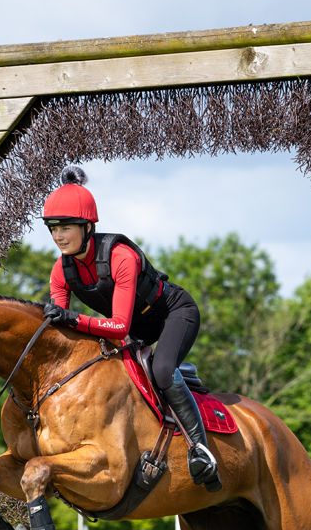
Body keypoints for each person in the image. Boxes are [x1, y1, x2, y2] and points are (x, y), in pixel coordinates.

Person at [42, 165, 222, 492]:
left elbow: (118, 326)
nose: (58, 237)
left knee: (163, 370)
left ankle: (201, 450)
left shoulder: (121, 256)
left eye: (65, 228)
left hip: (172, 313)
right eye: (52, 229)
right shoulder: (60, 271)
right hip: (135, 329)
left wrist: (74, 320)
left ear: (87, 226)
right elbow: (61, 332)